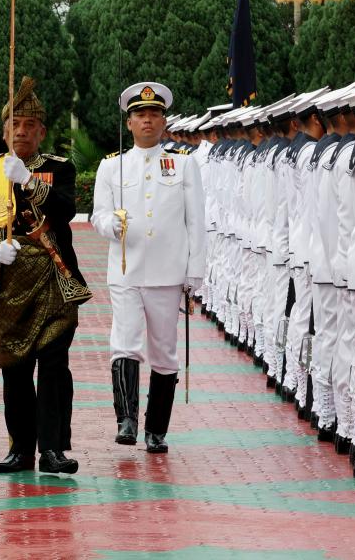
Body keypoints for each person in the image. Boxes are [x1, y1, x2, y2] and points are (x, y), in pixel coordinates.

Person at [0, 76, 91, 475]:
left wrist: (29, 182)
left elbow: (67, 211)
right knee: (15, 369)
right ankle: (21, 446)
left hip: (54, 277)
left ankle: (53, 447)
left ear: (42, 132)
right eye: (14, 125)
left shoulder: (59, 169)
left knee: (53, 366)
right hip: (10, 281)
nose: (21, 131)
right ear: (4, 131)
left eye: (29, 126)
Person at [91, 82, 205, 452]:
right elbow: (98, 215)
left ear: (164, 120)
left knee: (164, 350)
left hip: (167, 271)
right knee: (124, 343)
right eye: (140, 115)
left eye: (154, 114)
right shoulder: (111, 166)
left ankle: (156, 429)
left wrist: (195, 271)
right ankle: (126, 421)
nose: (147, 120)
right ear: (129, 123)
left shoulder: (184, 164)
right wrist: (110, 225)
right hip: (126, 268)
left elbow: (196, 222)